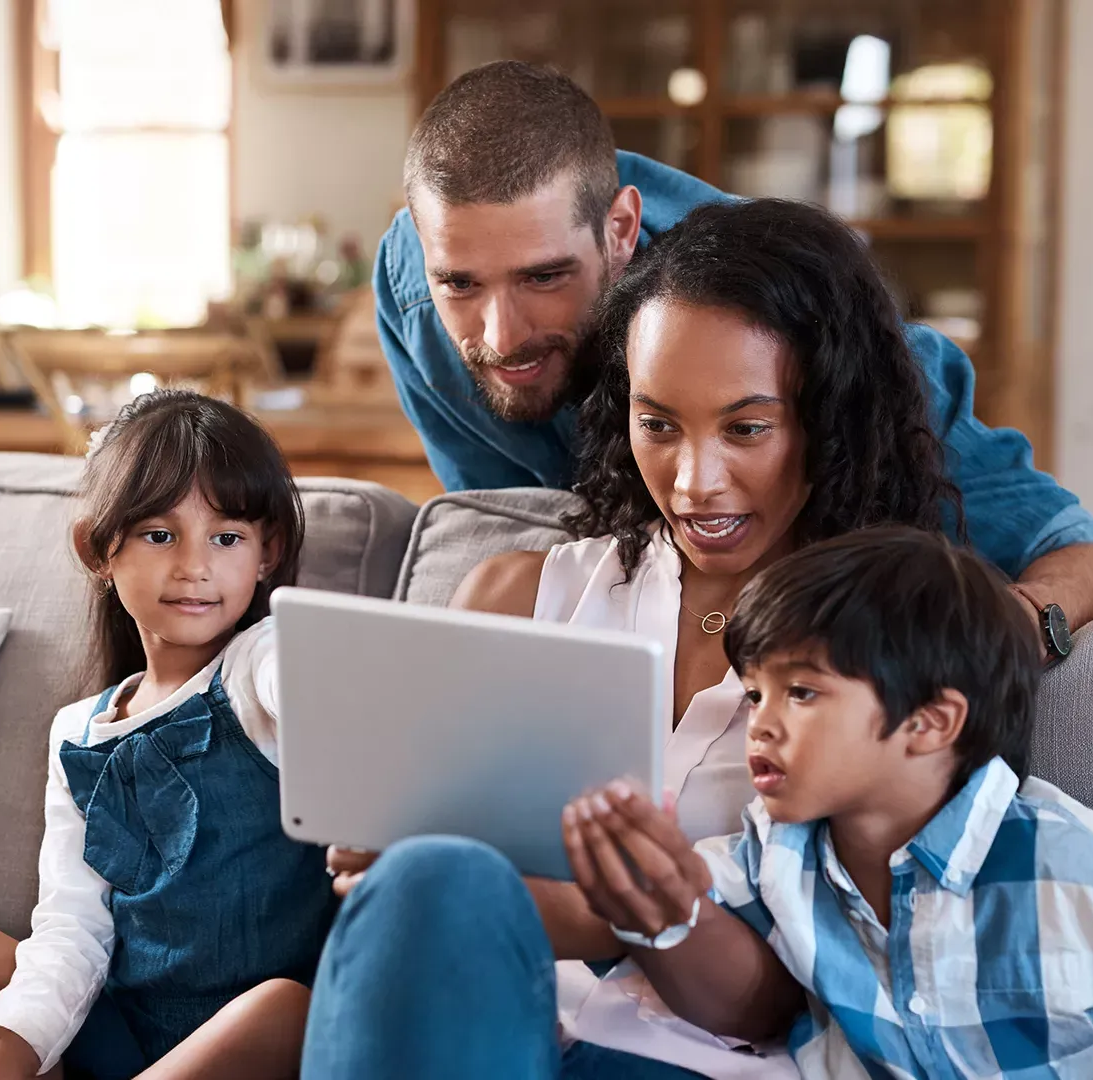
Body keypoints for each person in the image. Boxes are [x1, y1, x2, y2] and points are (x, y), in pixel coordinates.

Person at [306, 197, 961, 1079]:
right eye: (658, 424)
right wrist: (383, 862)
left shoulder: (892, 659)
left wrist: (646, 913)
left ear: (829, 420)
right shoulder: (513, 598)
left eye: (746, 428)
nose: (695, 482)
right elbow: (408, 919)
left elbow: (793, 1004)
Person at [375, 59, 1093, 640]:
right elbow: (522, 524)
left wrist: (1003, 638)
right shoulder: (410, 287)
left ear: (620, 231)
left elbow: (1085, 555)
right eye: (462, 284)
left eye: (545, 277)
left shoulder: (816, 328)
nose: (500, 336)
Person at [564, 526, 1093, 1077]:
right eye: (756, 694)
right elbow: (696, 941)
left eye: (803, 693)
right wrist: (655, 893)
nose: (759, 723)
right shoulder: (775, 851)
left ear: (930, 722)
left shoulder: (1062, 860)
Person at [0, 390, 337, 1080]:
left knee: (286, 1008)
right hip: (115, 1031)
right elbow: (71, 933)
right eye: (160, 534)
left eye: (226, 537)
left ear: (268, 554)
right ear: (98, 550)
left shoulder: (262, 662)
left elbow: (310, 689)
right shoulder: (77, 733)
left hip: (246, 1041)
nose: (194, 565)